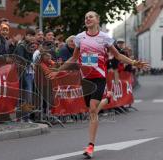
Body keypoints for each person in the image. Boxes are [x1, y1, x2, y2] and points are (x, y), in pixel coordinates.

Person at [57, 11, 149, 159]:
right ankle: (107, 98)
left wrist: (133, 62)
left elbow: (118, 55)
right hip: (85, 79)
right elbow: (74, 58)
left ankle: (90, 146)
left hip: (99, 78)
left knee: (93, 109)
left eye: (91, 17)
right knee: (91, 110)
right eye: (86, 17)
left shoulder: (105, 38)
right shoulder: (80, 38)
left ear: (97, 20)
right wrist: (58, 70)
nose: (88, 19)